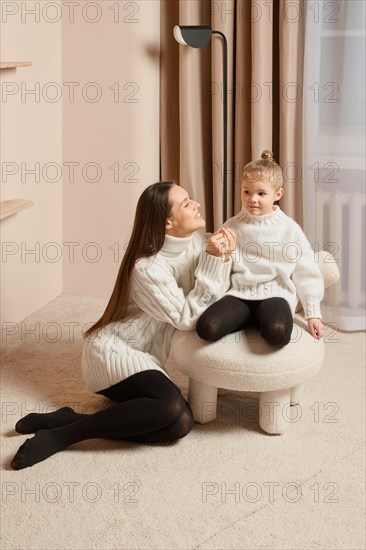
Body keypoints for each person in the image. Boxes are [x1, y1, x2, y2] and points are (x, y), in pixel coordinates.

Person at [11, 181, 236, 470]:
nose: (197, 205)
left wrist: (223, 257)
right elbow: (187, 317)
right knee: (170, 407)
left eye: (191, 199)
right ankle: (62, 436)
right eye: (186, 203)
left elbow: (213, 299)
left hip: (145, 357)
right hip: (111, 354)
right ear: (168, 223)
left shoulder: (195, 245)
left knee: (179, 425)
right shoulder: (147, 268)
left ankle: (71, 418)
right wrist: (215, 260)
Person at [196, 150, 324, 347]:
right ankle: (247, 318)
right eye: (246, 191)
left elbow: (307, 272)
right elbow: (221, 266)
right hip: (239, 293)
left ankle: (264, 319)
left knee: (277, 333)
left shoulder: (289, 229)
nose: (252, 199)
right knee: (206, 328)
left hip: (275, 294)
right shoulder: (231, 225)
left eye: (261, 193)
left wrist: (313, 313)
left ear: (277, 194)